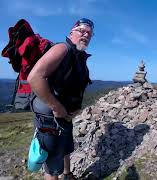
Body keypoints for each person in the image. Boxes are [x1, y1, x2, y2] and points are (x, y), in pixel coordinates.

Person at [27, 18, 94, 180]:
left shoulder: (78, 56)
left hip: (64, 117)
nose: (85, 35)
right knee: (51, 167)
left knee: (64, 150)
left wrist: (72, 110)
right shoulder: (62, 49)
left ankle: (68, 174)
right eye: (81, 31)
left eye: (89, 34)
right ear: (71, 33)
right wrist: (57, 107)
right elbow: (34, 77)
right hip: (50, 119)